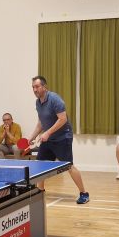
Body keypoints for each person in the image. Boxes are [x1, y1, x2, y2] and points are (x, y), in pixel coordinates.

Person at [29, 76, 89, 204]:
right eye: (33, 87)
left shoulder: (55, 99)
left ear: (44, 87)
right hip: (49, 138)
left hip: (63, 137)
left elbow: (63, 119)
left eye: (37, 86)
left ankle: (84, 193)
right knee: (40, 164)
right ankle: (40, 191)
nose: (34, 89)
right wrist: (31, 137)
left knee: (68, 166)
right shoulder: (38, 103)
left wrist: (47, 133)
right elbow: (40, 123)